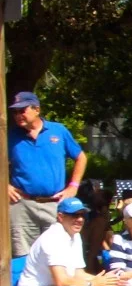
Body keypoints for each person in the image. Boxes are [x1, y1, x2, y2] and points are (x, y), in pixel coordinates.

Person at [15, 197, 118, 286]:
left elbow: (78, 273)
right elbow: (61, 281)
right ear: (60, 216)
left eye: (83, 215)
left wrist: (105, 280)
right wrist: (92, 283)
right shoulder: (52, 238)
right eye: (75, 215)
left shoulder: (74, 236)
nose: (80, 219)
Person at [8, 91, 89, 258]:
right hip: (22, 204)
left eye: (22, 110)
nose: (18, 115)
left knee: (58, 255)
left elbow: (81, 157)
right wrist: (5, 186)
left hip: (55, 204)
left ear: (36, 109)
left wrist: (73, 187)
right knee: (23, 256)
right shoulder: (10, 135)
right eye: (15, 112)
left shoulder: (58, 131)